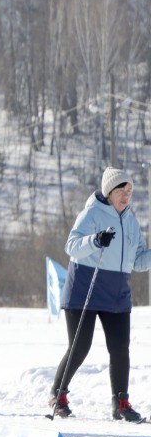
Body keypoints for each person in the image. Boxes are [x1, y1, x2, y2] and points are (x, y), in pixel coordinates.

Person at [48, 167, 151, 421]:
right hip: (86, 287)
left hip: (116, 292)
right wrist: (95, 240)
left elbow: (137, 261)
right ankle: (58, 395)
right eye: (120, 191)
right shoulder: (92, 213)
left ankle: (121, 403)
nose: (126, 196)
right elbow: (71, 245)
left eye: (129, 191)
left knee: (120, 348)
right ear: (109, 192)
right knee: (80, 346)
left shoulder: (130, 221)